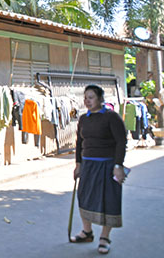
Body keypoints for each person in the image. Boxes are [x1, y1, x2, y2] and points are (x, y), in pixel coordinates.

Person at [71, 84, 127, 254]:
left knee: (108, 199)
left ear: (100, 99)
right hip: (88, 165)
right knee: (84, 196)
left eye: (91, 97)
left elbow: (121, 142)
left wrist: (118, 166)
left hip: (107, 164)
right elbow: (80, 143)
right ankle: (87, 232)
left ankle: (105, 237)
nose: (87, 101)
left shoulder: (111, 117)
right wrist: (78, 164)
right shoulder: (84, 119)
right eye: (85, 97)